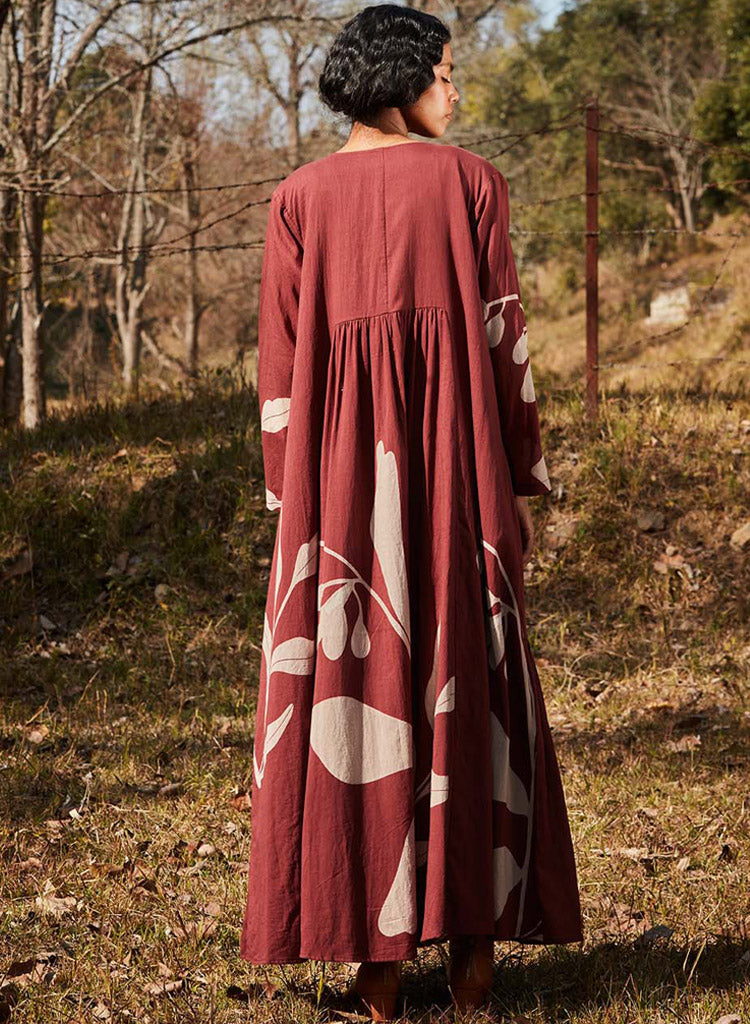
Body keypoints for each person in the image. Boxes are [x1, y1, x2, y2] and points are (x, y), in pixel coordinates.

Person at [240, 4, 583, 1019]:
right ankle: (472, 964)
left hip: (339, 491)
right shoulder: (473, 183)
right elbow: (503, 340)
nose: (455, 90)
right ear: (400, 80)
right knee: (461, 674)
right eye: (444, 72)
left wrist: (291, 498)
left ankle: (377, 970)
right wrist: (518, 471)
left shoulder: (298, 199)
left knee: (356, 685)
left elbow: (279, 373)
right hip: (459, 472)